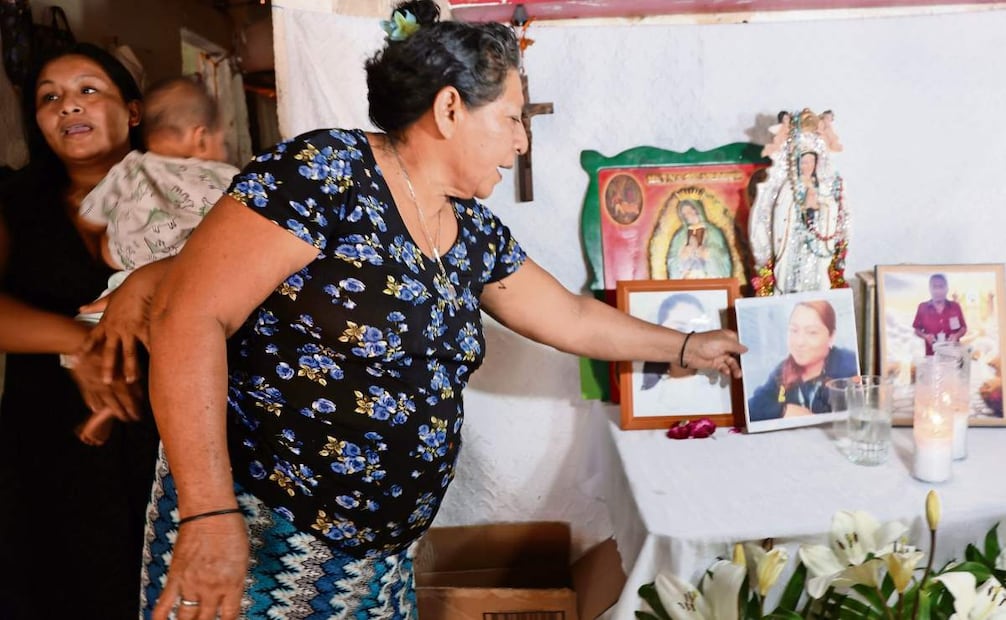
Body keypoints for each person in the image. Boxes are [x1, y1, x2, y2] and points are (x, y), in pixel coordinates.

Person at [141, 2, 747, 618]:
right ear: (450, 108)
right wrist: (209, 512)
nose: (522, 137)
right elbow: (187, 315)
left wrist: (686, 346)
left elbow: (571, 317)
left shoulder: (472, 231)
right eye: (511, 117)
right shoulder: (326, 174)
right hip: (265, 535)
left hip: (381, 561)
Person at [0, 43, 161, 619]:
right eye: (50, 98)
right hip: (49, 441)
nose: (69, 106)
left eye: (89, 89)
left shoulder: (179, 191)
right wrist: (82, 342)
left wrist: (145, 288)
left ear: (133, 111)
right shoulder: (13, 201)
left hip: (165, 432)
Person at [75, 77, 240, 445]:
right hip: (195, 281)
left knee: (96, 335)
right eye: (221, 139)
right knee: (191, 351)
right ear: (200, 137)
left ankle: (103, 407)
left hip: (124, 282)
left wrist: (99, 235)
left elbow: (88, 215)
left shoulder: (130, 169)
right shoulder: (228, 176)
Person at [748, 108, 848, 295]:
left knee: (817, 279)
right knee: (791, 278)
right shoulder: (789, 187)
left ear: (816, 163)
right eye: (803, 162)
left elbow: (833, 210)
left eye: (810, 161)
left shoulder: (823, 187)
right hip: (792, 242)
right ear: (796, 163)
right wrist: (800, 208)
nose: (807, 166)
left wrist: (818, 207)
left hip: (816, 247)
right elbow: (779, 213)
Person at [747, 300, 858, 422]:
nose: (799, 342)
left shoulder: (848, 365)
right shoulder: (783, 369)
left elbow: (857, 415)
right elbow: (753, 407)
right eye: (794, 330)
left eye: (812, 332)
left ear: (831, 337)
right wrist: (782, 410)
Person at [637, 293, 731, 415]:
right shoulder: (645, 395)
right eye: (680, 328)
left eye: (697, 327)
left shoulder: (717, 391)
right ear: (659, 329)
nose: (691, 337)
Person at [667, 198, 731, 279]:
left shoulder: (713, 232)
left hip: (708, 278)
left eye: (689, 211)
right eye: (684, 214)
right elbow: (672, 260)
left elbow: (723, 256)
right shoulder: (680, 236)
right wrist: (681, 257)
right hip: (687, 278)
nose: (687, 216)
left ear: (697, 210)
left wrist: (709, 253)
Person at [913, 273, 967, 357]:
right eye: (934, 287)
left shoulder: (955, 306)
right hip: (932, 357)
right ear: (930, 289)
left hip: (953, 356)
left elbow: (963, 328)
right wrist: (926, 336)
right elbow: (916, 330)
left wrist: (956, 336)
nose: (937, 291)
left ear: (946, 289)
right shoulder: (922, 307)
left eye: (941, 287)